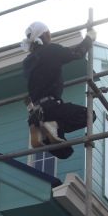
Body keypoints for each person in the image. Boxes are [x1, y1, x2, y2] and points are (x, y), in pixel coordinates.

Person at [21, 21, 96, 159]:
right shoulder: (50, 50)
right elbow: (77, 52)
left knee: (65, 151)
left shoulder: (27, 61)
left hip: (36, 110)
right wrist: (89, 38)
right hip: (51, 107)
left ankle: (40, 130)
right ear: (45, 34)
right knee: (89, 115)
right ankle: (52, 126)